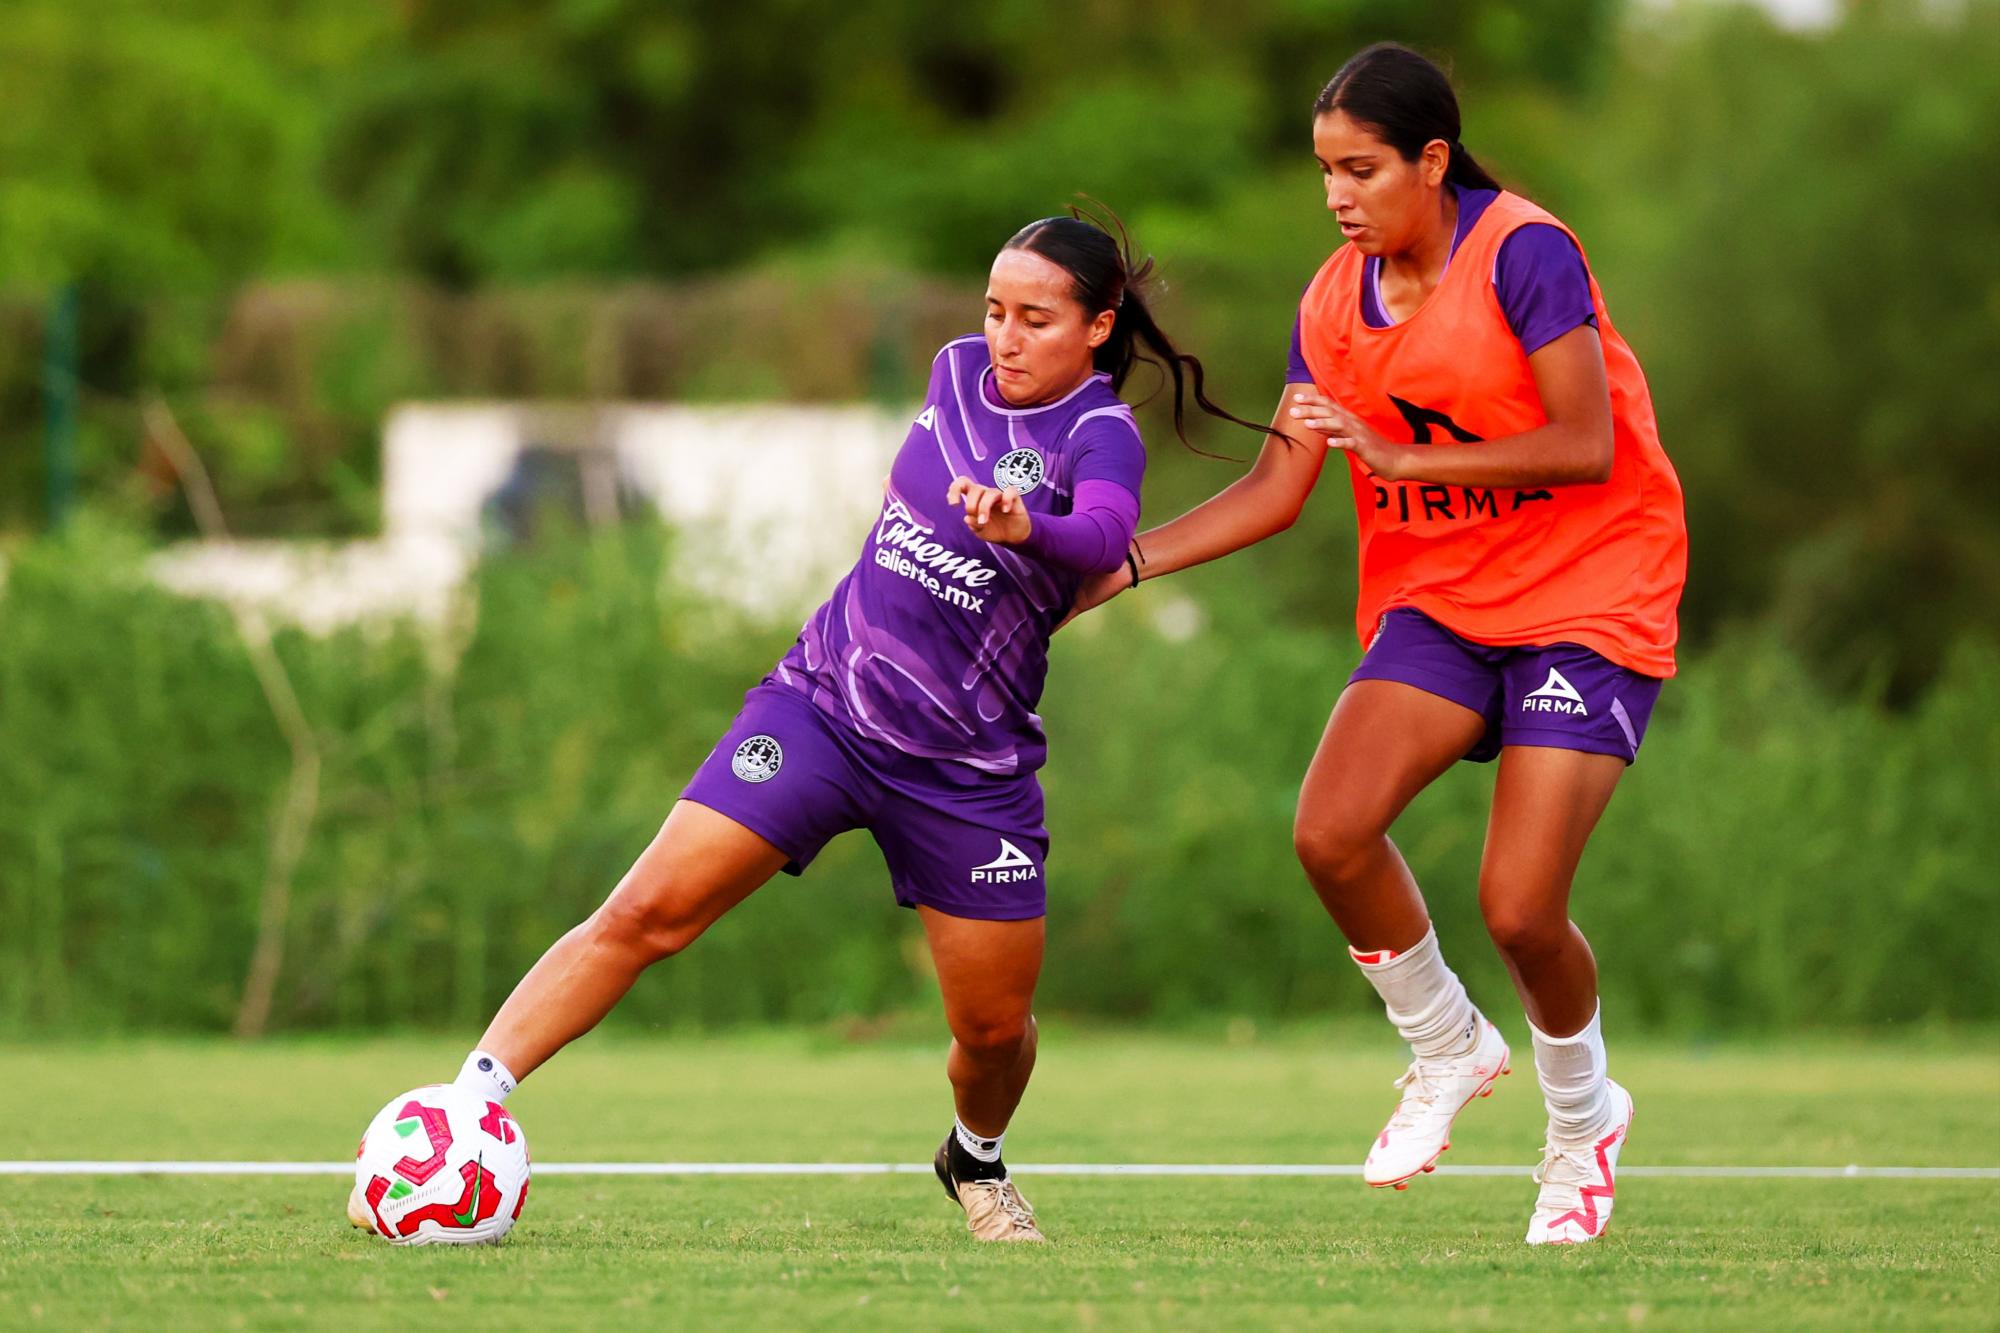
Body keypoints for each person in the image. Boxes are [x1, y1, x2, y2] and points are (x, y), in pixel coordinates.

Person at [353, 209, 1258, 1245]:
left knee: (993, 1029)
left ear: (1098, 327)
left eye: (1035, 319)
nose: (1004, 336)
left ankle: (975, 1157)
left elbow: (1101, 533)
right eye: (995, 310)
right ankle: (468, 1104)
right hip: (823, 705)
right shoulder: (955, 371)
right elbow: (909, 498)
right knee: (648, 910)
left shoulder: (1099, 433)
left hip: (966, 769)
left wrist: (1028, 531)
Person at [1070, 43, 1687, 1245]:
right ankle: (1447, 1045)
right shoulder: (1327, 302)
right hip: (1442, 599)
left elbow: (1583, 443)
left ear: (1432, 161)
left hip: (1589, 596)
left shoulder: (1524, 252)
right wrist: (1118, 565)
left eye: (1360, 169)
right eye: (1323, 173)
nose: (1338, 195)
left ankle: (1581, 1118)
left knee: (1518, 908)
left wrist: (1407, 459)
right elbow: (1274, 486)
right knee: (1329, 830)